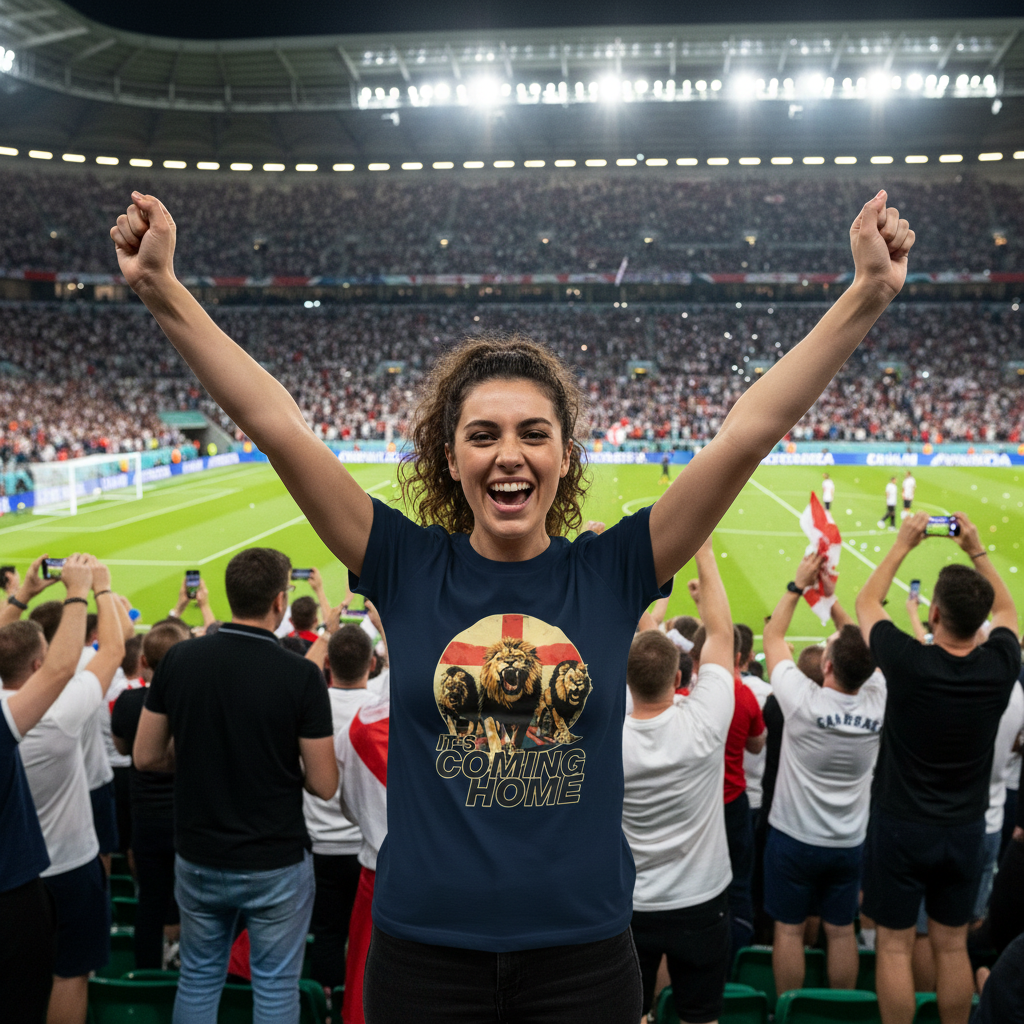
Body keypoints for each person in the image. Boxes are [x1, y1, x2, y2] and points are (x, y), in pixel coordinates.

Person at [112, 186, 915, 1021]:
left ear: (565, 457)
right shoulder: (402, 561)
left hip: (584, 957)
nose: (510, 455)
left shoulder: (612, 570)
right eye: (483, 433)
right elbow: (274, 423)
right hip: (423, 955)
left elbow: (748, 431)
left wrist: (865, 296)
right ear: (449, 457)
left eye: (534, 433)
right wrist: (162, 288)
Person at [133, 548, 338, 1024]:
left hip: (200, 854)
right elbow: (325, 785)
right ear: (280, 601)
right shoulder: (302, 674)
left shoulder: (179, 659)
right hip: (275, 860)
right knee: (274, 985)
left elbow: (145, 756)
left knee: (200, 977)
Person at [856, 511, 1020, 1024]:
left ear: (934, 617)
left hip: (902, 824)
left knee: (896, 948)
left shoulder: (910, 662)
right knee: (953, 948)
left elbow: (865, 603)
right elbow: (1011, 612)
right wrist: (976, 549)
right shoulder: (1000, 665)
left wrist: (903, 543)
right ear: (981, 622)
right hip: (965, 827)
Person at [3, 556, 124, 1024]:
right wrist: (96, 589)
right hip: (69, 865)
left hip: (17, 878)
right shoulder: (58, 713)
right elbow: (111, 650)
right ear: (40, 661)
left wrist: (21, 598)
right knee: (70, 974)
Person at [622, 537, 735, 1024]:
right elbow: (722, 636)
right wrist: (702, 549)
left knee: (632, 1013)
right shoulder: (705, 720)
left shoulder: (606, 736)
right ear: (679, 676)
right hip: (702, 900)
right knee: (700, 1017)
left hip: (631, 903)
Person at [762, 553, 886, 996]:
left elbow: (773, 635)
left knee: (790, 931)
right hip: (848, 840)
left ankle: (787, 1009)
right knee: (839, 932)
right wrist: (833, 601)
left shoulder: (802, 701)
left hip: (793, 837)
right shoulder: (879, 698)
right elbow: (861, 647)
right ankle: (838, 1008)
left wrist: (798, 586)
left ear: (827, 666)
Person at [302, 621, 378, 1002]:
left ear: (329, 662)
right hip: (368, 847)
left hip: (322, 845)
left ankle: (329, 1002)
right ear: (371, 663)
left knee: (329, 933)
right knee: (369, 937)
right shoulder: (377, 704)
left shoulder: (309, 702)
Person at [111, 621, 191, 970]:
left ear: (144, 661)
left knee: (149, 899)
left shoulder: (128, 702)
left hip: (145, 819)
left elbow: (124, 749)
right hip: (185, 819)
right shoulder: (194, 701)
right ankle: (184, 965)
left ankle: (145, 970)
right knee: (188, 899)